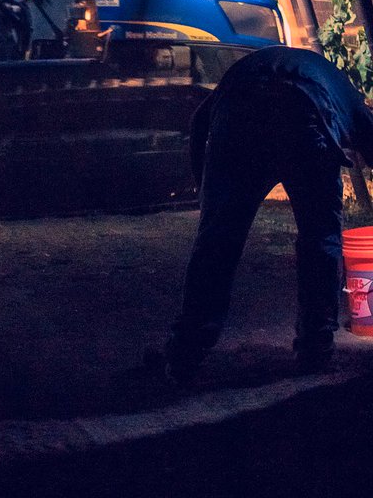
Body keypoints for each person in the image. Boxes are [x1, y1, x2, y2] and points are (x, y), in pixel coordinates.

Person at [157, 46, 373, 384]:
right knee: (320, 235)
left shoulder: (241, 83)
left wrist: (209, 200)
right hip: (305, 113)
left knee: (218, 239)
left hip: (239, 115)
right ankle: (315, 345)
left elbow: (201, 125)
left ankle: (186, 347)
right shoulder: (348, 96)